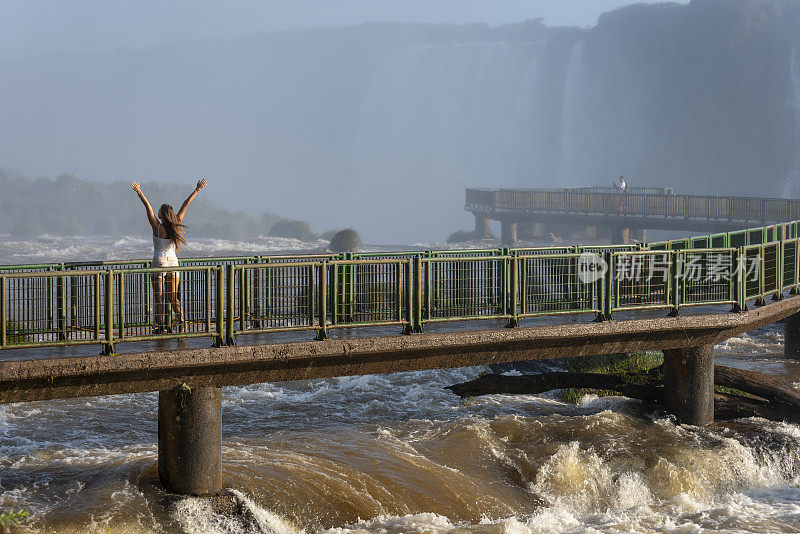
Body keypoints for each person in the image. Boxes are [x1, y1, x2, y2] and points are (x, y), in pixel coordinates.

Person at [131, 179, 206, 334]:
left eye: (159, 210)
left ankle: (161, 327)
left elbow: (147, 206)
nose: (157, 212)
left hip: (158, 262)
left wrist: (139, 192)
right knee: (173, 298)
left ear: (162, 214)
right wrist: (197, 190)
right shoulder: (177, 224)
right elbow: (186, 204)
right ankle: (182, 323)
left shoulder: (156, 226)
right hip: (173, 263)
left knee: (158, 297)